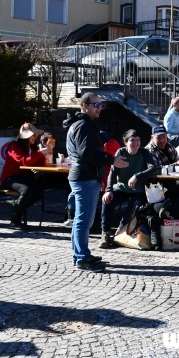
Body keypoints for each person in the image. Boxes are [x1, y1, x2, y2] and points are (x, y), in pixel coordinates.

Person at [64, 92, 128, 272]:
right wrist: (111, 159)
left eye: (101, 105)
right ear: (85, 106)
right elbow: (87, 153)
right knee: (83, 221)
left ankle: (80, 254)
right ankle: (82, 258)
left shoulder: (83, 124)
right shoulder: (83, 126)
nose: (100, 108)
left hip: (85, 176)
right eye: (96, 105)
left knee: (82, 220)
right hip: (84, 177)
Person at [99, 129, 158, 249]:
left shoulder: (144, 152)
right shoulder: (121, 152)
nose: (136, 143)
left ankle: (120, 233)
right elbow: (112, 173)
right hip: (121, 187)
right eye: (132, 140)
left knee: (131, 208)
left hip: (138, 189)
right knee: (107, 201)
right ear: (125, 142)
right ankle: (105, 233)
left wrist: (137, 176)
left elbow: (154, 167)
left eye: (138, 140)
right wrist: (108, 190)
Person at [0, 122, 46, 230]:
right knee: (27, 190)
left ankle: (17, 209)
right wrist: (40, 153)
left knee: (39, 191)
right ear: (26, 137)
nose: (35, 137)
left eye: (35, 135)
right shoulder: (14, 147)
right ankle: (15, 218)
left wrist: (43, 154)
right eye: (32, 135)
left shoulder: (33, 148)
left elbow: (39, 164)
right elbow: (24, 161)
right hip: (9, 177)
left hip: (22, 176)